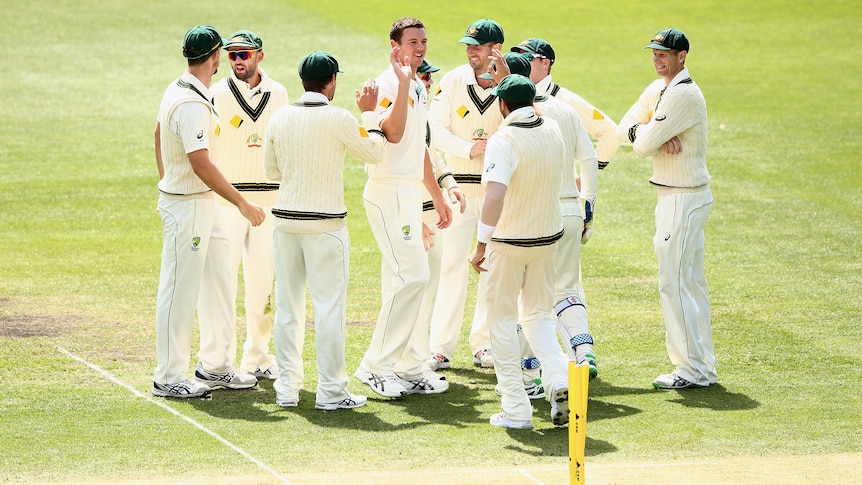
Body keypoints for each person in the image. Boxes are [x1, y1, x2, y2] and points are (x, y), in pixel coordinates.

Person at [264, 51, 386, 410]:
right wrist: (369, 115)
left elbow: (271, 172)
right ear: (331, 81)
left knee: (288, 307)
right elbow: (375, 152)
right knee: (329, 308)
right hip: (326, 226)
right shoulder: (341, 117)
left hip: (285, 224)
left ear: (304, 81)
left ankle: (287, 389)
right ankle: (331, 392)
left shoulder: (280, 116)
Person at [152, 25, 264, 398]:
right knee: (180, 290)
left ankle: (216, 366)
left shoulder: (183, 88)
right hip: (188, 206)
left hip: (201, 203)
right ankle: (169, 376)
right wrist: (242, 202)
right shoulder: (191, 102)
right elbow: (200, 163)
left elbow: (157, 133)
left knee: (219, 283)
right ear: (215, 56)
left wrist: (168, 179)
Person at [354, 17, 452, 398]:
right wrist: (405, 84)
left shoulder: (418, 86)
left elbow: (420, 148)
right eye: (413, 41)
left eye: (424, 41)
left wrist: (438, 196)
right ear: (395, 45)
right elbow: (391, 134)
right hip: (387, 190)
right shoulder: (385, 84)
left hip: (410, 192)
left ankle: (409, 366)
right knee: (413, 278)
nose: (421, 47)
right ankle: (374, 366)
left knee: (412, 279)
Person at [469, 74, 570, 429]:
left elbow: (494, 196)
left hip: (509, 244)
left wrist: (481, 243)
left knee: (500, 322)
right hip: (547, 240)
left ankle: (516, 410)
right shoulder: (553, 130)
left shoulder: (503, 139)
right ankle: (557, 378)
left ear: (502, 105)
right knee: (539, 316)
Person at [616, 28, 715, 389]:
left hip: (684, 199)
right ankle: (702, 367)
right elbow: (626, 126)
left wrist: (648, 135)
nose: (658, 60)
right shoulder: (658, 90)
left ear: (682, 56)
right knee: (688, 283)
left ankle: (691, 371)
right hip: (674, 197)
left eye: (664, 54)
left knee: (674, 284)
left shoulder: (682, 96)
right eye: (654, 53)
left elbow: (641, 147)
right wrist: (650, 132)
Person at [427, 18, 505, 371]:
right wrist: (469, 148)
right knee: (451, 267)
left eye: (479, 45)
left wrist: (492, 150)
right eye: (469, 45)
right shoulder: (454, 81)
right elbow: (434, 129)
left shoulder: (509, 83)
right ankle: (440, 346)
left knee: (490, 267)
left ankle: (484, 344)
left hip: (496, 191)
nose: (472, 51)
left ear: (496, 49)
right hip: (459, 190)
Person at [211, 30, 289, 380]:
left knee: (262, 285)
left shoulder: (279, 94)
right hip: (227, 202)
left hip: (268, 202)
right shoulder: (215, 94)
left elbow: (285, 146)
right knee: (223, 284)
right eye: (232, 55)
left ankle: (257, 356)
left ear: (260, 55)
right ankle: (221, 362)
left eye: (244, 54)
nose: (238, 61)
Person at [408, 59, 466, 372]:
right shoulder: (404, 116)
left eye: (431, 78)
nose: (429, 83)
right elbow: (396, 170)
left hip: (432, 217)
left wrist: (450, 185)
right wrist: (413, 218)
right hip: (414, 219)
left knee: (429, 288)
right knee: (413, 288)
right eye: (424, 77)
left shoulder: (423, 116)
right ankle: (405, 361)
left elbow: (432, 158)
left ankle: (419, 358)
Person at [509, 38, 619, 171]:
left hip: (559, 188)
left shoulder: (566, 100)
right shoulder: (507, 95)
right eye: (518, 56)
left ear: (545, 63)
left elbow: (610, 132)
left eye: (527, 56)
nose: (520, 61)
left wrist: (587, 178)